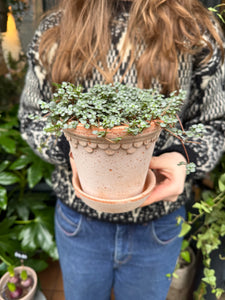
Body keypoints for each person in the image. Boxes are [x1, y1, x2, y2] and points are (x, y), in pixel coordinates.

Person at [18, 0, 225, 299]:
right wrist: (72, 148)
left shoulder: (196, 28)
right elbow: (33, 116)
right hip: (80, 222)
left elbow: (214, 122)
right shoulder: (55, 28)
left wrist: (184, 159)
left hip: (159, 223)